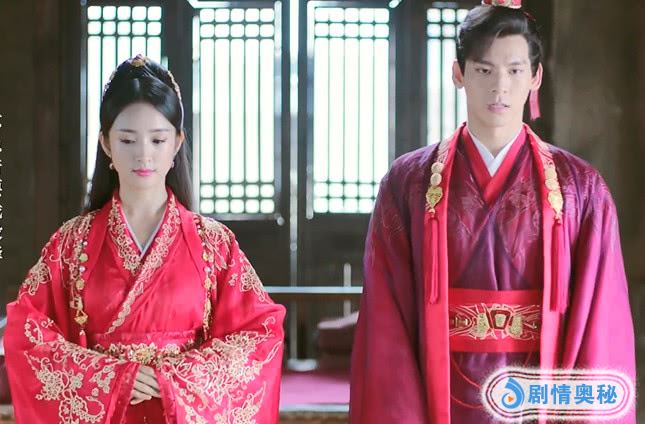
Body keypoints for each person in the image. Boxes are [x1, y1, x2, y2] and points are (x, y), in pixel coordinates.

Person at [349, 1, 637, 423]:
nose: (500, 87)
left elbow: (600, 323)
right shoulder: (407, 183)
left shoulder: (580, 188)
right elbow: (387, 324)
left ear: (536, 76)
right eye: (484, 70)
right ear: (458, 73)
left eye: (515, 70)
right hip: (441, 395)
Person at [4, 54, 286, 423]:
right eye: (127, 139)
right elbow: (26, 333)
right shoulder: (71, 244)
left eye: (157, 139)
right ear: (106, 144)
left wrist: (174, 379)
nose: (143, 154)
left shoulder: (214, 244)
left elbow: (259, 334)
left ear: (177, 143)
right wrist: (110, 377)